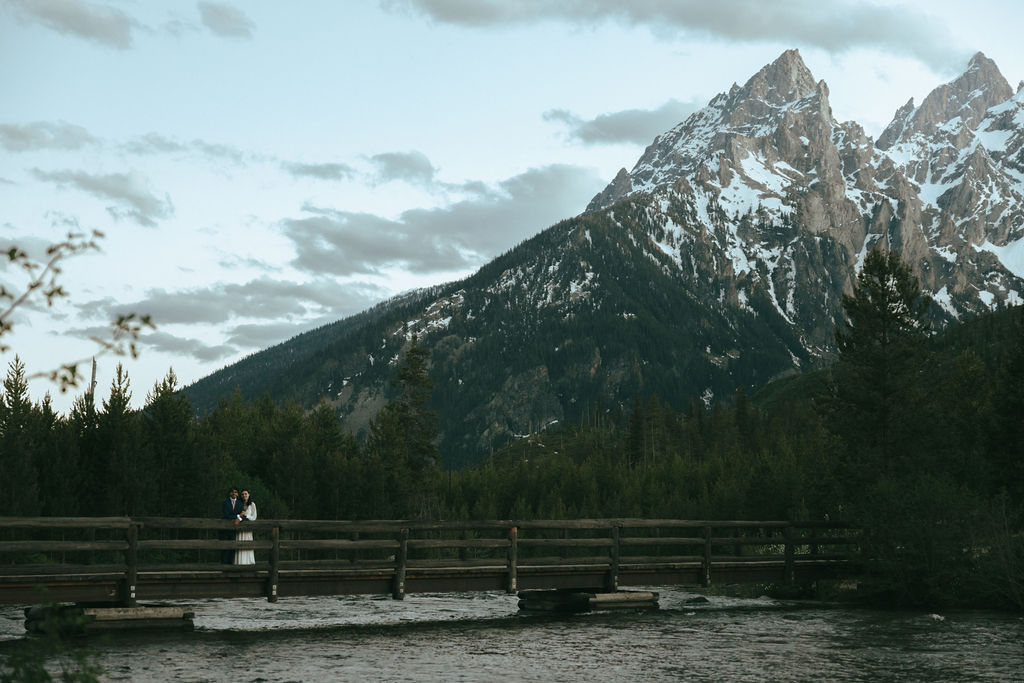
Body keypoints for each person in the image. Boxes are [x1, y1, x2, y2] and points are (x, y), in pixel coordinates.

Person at [234, 489, 257, 565]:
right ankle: (240, 563)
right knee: (240, 543)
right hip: (240, 528)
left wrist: (246, 515)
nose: (244, 495)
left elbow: (254, 517)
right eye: (243, 494)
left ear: (249, 494)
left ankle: (248, 563)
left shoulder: (252, 504)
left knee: (248, 545)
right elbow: (236, 515)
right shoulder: (239, 504)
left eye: (246, 494)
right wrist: (240, 516)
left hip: (248, 529)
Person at [220, 488, 241, 564]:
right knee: (225, 547)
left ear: (237, 494)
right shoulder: (225, 502)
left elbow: (242, 515)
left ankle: (230, 565)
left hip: (234, 529)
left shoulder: (239, 503)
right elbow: (226, 515)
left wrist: (238, 517)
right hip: (225, 528)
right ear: (229, 493)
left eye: (235, 492)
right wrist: (237, 517)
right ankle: (223, 565)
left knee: (233, 548)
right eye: (232, 492)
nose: (234, 493)